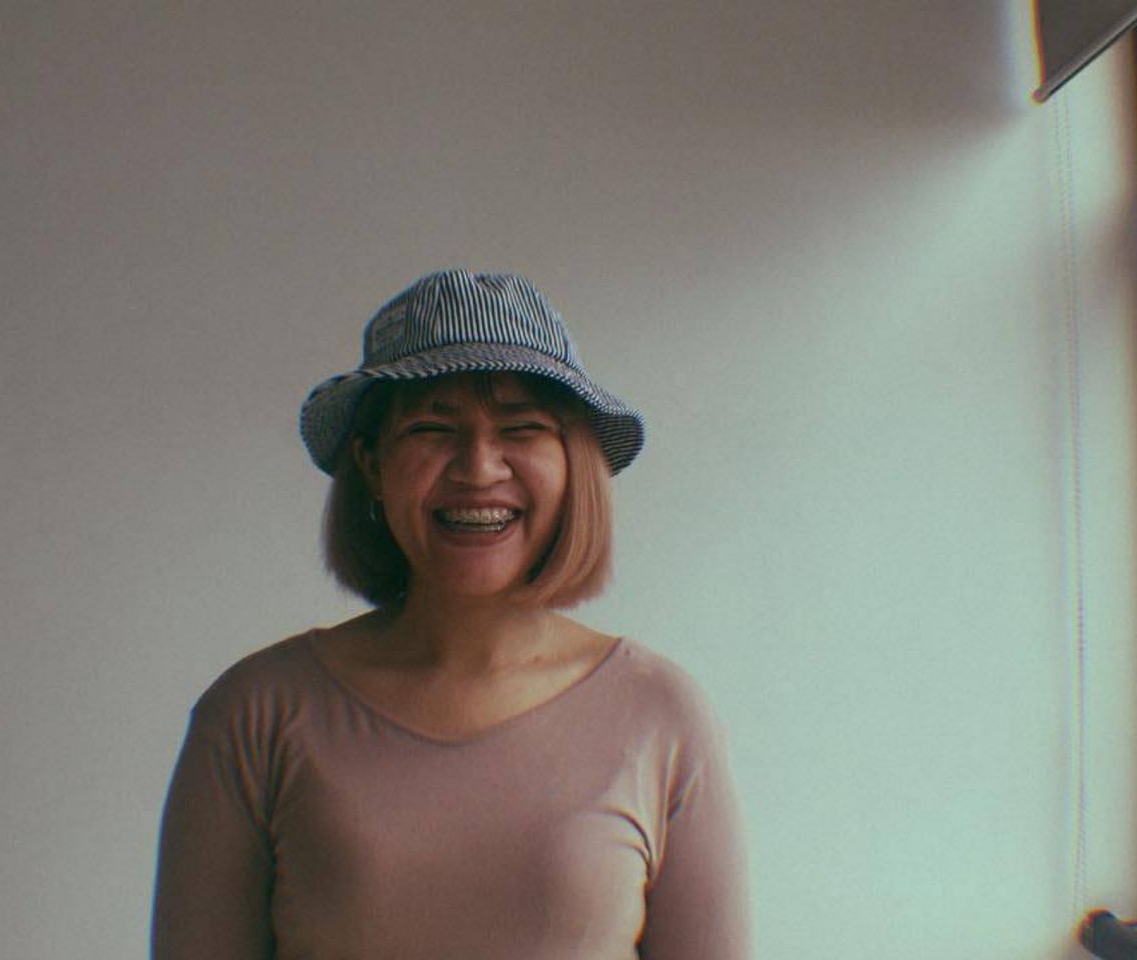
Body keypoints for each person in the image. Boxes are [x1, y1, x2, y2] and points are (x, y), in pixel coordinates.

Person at [151, 268, 748, 959]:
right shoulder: (254, 716)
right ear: (370, 464)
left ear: (573, 460)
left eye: (521, 428)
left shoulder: (662, 716)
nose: (478, 468)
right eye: (432, 428)